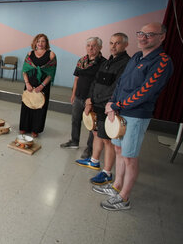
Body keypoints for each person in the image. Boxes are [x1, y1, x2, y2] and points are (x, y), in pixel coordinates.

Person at [94, 22, 173, 211]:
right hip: (119, 112)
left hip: (136, 115)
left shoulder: (162, 61)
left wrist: (117, 105)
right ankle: (116, 186)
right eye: (141, 33)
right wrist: (111, 103)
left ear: (161, 37)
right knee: (120, 152)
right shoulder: (137, 56)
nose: (143, 37)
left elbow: (146, 91)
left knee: (130, 158)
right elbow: (121, 83)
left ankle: (124, 198)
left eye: (149, 34)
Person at [75, 33, 130, 185]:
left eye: (117, 43)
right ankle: (94, 160)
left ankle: (107, 172)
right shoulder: (107, 62)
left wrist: (108, 104)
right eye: (111, 43)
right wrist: (89, 99)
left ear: (125, 45)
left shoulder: (126, 63)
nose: (113, 46)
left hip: (108, 107)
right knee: (97, 134)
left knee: (107, 141)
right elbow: (95, 82)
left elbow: (117, 87)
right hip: (96, 104)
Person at [60, 37, 106, 157]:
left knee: (91, 125)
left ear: (100, 47)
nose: (91, 48)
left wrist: (91, 100)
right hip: (79, 97)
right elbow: (76, 78)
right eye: (89, 45)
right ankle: (74, 141)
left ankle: (89, 148)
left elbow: (101, 85)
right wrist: (73, 94)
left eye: (94, 45)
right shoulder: (82, 61)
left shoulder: (103, 63)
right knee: (75, 120)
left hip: (92, 100)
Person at [19, 34, 57, 137]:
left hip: (43, 85)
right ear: (35, 42)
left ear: (46, 43)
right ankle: (24, 127)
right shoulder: (30, 53)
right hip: (29, 84)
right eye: (38, 41)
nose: (40, 43)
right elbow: (24, 71)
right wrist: (27, 83)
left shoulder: (51, 55)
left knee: (39, 107)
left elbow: (51, 74)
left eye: (43, 41)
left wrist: (42, 86)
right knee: (27, 104)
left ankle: (35, 130)